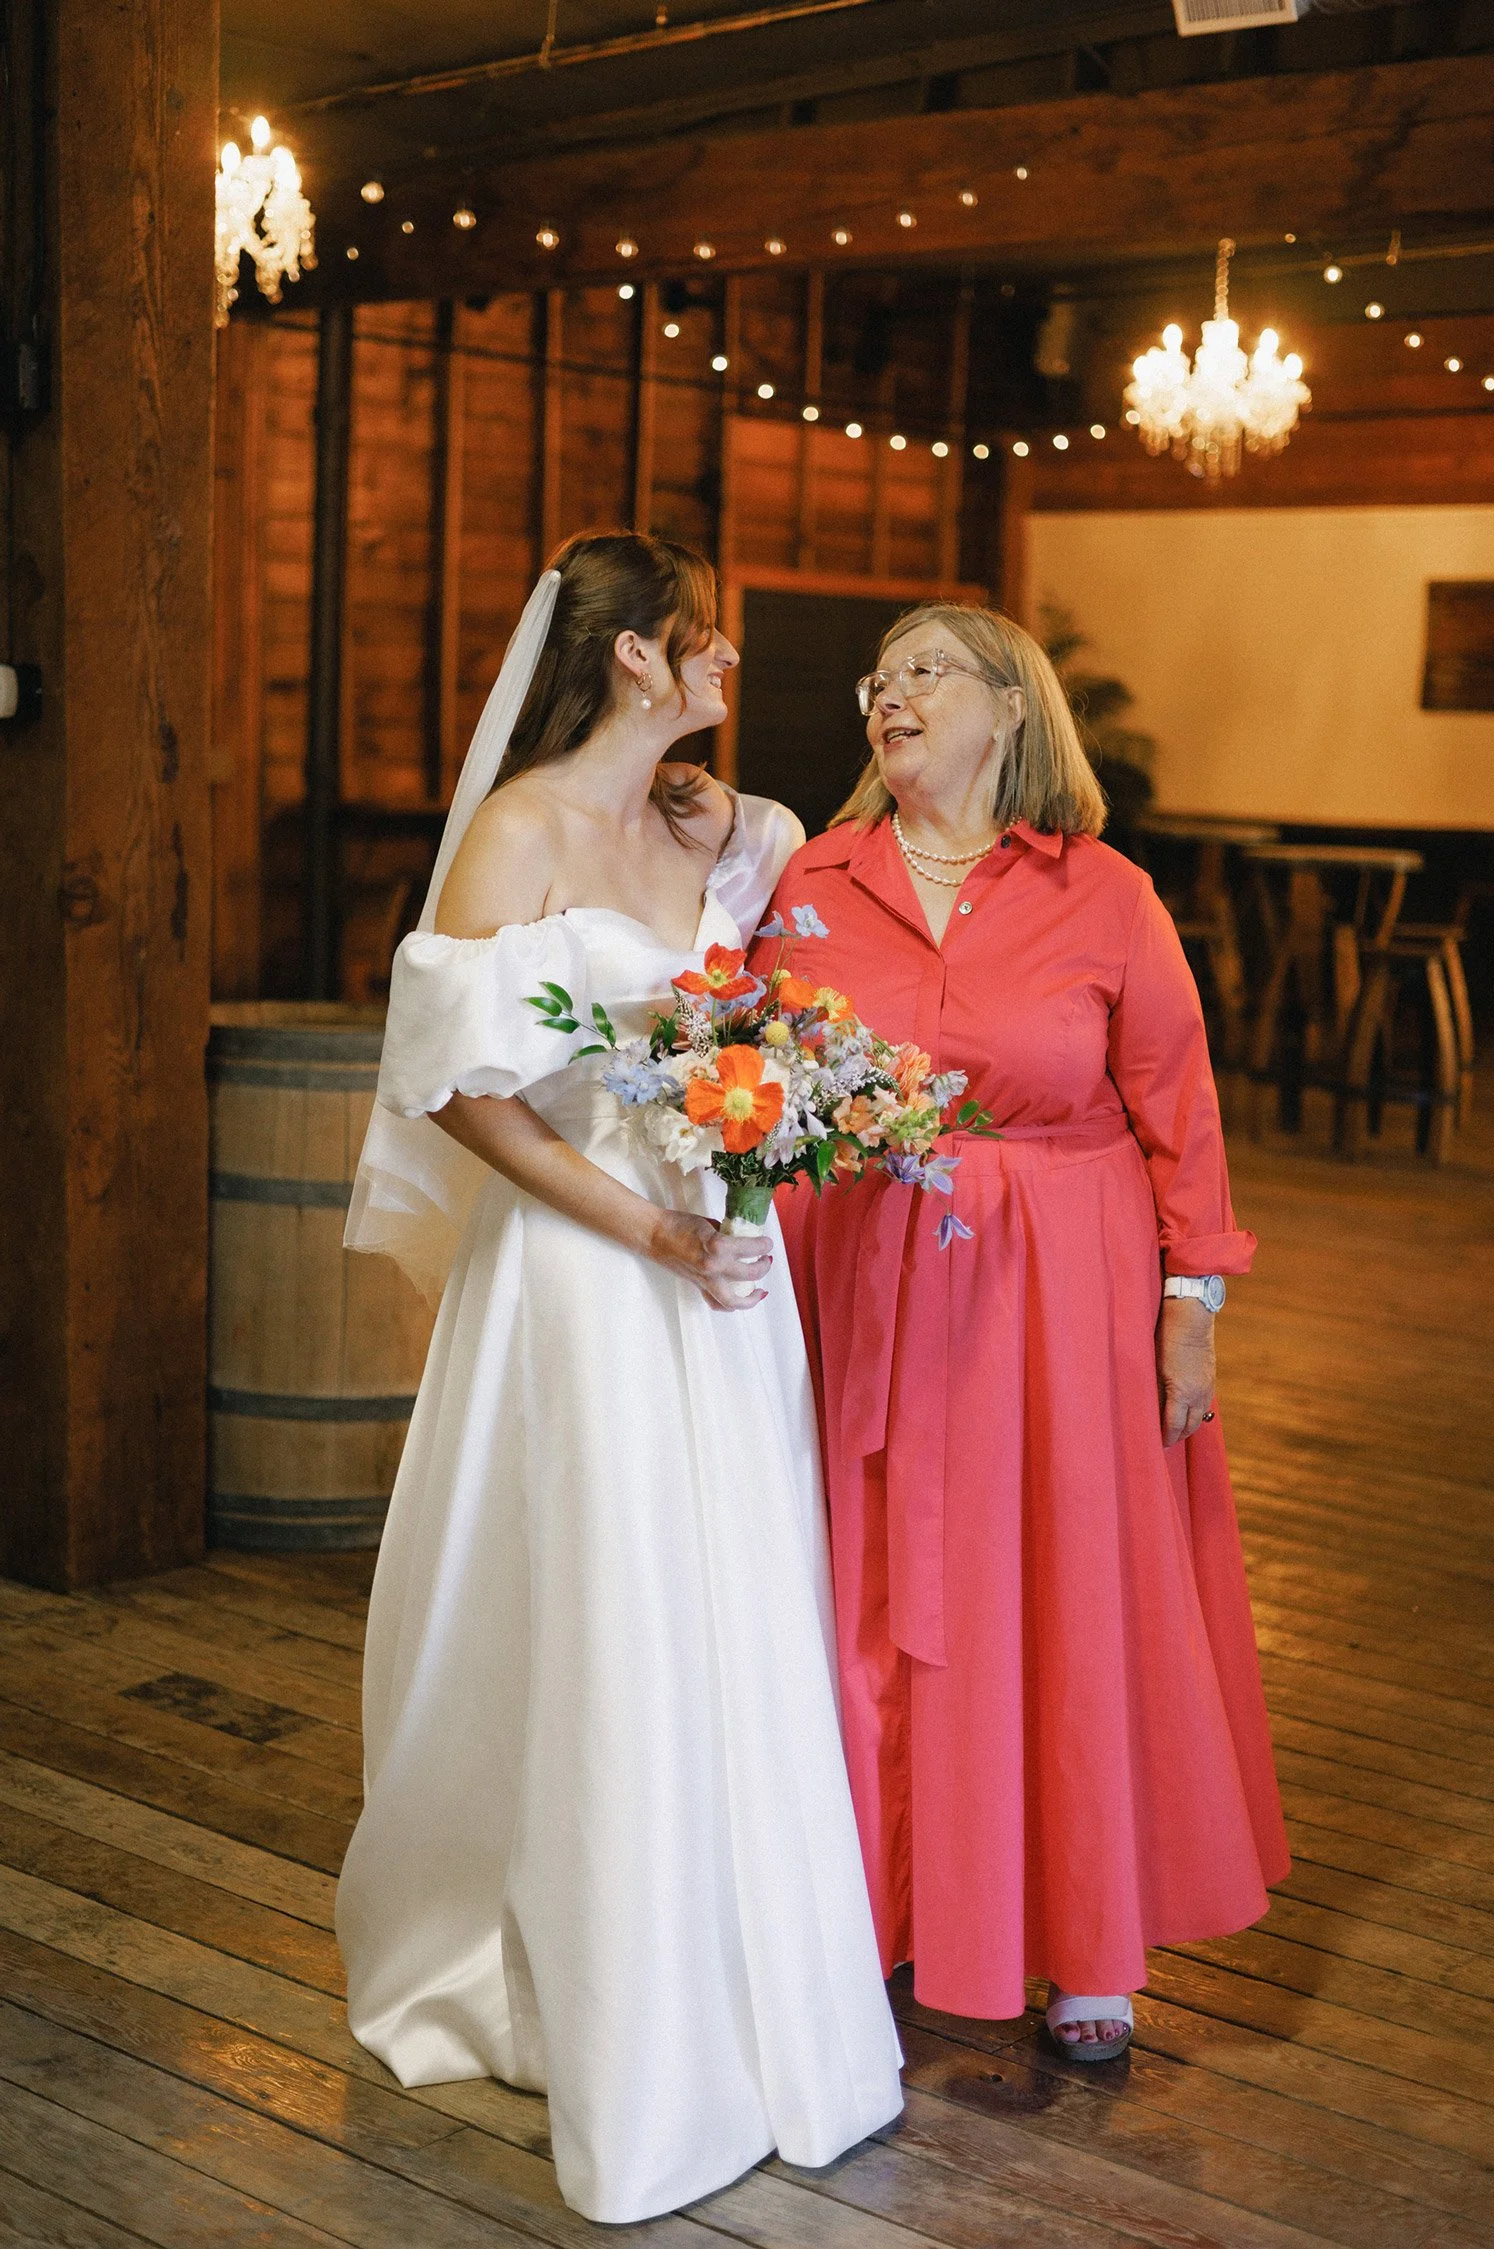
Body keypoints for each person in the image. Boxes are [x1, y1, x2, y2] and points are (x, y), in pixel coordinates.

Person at [336, 532, 903, 2222]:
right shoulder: (516, 834)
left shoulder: (703, 823)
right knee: (609, 1614)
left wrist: (757, 1150)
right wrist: (645, 1231)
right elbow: (456, 1089)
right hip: (589, 1277)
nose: (730, 665)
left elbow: (817, 903)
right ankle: (598, 2010)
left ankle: (749, 1995)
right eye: (706, 642)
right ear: (638, 660)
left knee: (737, 1611)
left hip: (725, 1279)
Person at [751, 604, 1289, 2063]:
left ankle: (1081, 1942)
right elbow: (740, 1063)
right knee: (866, 1599)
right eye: (880, 674)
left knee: (1054, 1597)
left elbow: (1183, 1115)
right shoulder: (807, 878)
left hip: (1061, 1293)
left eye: (927, 668)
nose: (890, 692)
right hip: (860, 1281)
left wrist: (1193, 1306)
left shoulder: (1105, 892)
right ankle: (868, 1912)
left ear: (1009, 709)